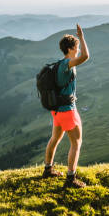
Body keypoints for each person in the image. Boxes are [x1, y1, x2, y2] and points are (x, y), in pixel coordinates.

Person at [42, 24, 90, 188]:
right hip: (68, 111)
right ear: (70, 48)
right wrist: (82, 37)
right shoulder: (67, 64)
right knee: (76, 143)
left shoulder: (59, 64)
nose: (77, 50)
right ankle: (71, 179)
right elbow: (85, 56)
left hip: (57, 111)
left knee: (55, 138)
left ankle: (48, 169)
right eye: (76, 47)